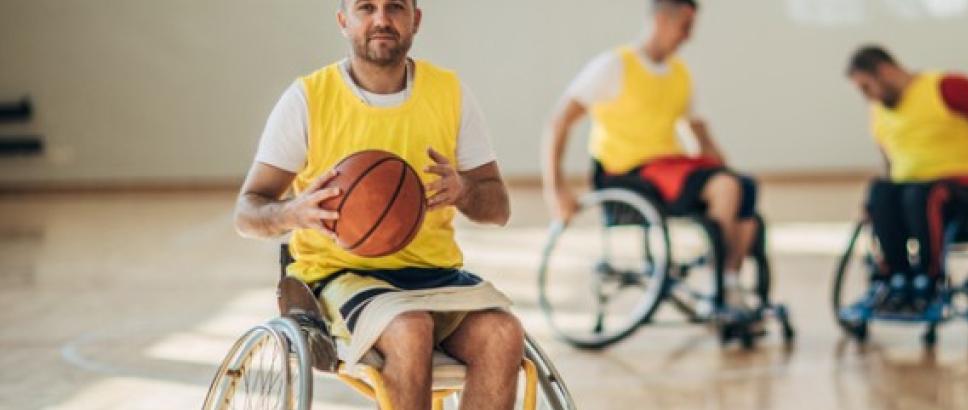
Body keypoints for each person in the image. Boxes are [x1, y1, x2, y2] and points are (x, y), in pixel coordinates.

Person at [233, 0, 524, 407]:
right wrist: (293, 211)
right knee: (409, 328)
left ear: (415, 20)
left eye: (395, 7)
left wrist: (466, 192)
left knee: (504, 332)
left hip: (433, 275)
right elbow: (246, 212)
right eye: (366, 7)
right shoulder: (308, 99)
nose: (381, 19)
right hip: (338, 275)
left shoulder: (450, 93)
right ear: (343, 21)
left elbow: (499, 208)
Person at [542, 0, 761, 310]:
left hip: (670, 166)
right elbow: (559, 121)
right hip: (628, 171)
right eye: (685, 27)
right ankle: (718, 282)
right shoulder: (613, 66)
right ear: (661, 20)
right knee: (727, 187)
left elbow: (702, 137)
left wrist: (732, 178)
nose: (688, 37)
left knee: (745, 187)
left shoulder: (680, 74)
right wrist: (556, 189)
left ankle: (729, 281)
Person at [845, 45, 968, 313]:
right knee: (880, 191)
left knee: (923, 194)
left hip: (966, 192)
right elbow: (890, 166)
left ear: (884, 71)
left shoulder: (948, 87)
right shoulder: (879, 112)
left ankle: (928, 279)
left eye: (866, 87)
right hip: (912, 194)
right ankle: (895, 278)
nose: (867, 97)